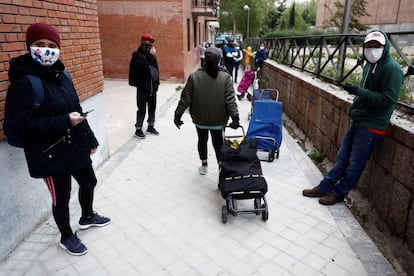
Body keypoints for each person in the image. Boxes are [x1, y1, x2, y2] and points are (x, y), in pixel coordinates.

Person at [5, 22, 111, 255]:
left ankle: (87, 216)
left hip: (75, 145)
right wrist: (64, 121)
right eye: (40, 44)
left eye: (52, 45)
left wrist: (90, 138)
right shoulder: (23, 84)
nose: (47, 50)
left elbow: (76, 108)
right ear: (29, 46)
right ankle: (66, 236)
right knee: (61, 198)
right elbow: (22, 125)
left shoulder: (63, 75)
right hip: (49, 154)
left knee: (89, 181)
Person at [302, 30, 403, 205]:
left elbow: (388, 99)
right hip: (360, 120)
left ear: (385, 47)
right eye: (369, 46)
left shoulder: (392, 69)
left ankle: (339, 192)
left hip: (373, 125)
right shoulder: (370, 65)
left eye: (376, 46)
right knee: (343, 157)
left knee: (355, 163)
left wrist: (360, 92)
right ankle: (325, 186)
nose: (372, 49)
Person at [173, 47, 240, 175]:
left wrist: (178, 115)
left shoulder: (194, 76)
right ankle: (221, 167)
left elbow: (185, 98)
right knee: (219, 143)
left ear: (204, 60)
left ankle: (204, 165)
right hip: (219, 120)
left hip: (200, 119)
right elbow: (230, 100)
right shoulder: (225, 77)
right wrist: (235, 118)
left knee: (202, 140)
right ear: (219, 61)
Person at [129, 33, 160, 138]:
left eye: (151, 44)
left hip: (152, 88)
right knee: (141, 109)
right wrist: (152, 56)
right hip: (143, 88)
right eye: (148, 43)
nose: (150, 46)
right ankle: (138, 129)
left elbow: (156, 70)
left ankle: (151, 126)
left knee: (152, 108)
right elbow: (142, 67)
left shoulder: (151, 56)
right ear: (143, 43)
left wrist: (157, 84)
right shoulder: (137, 55)